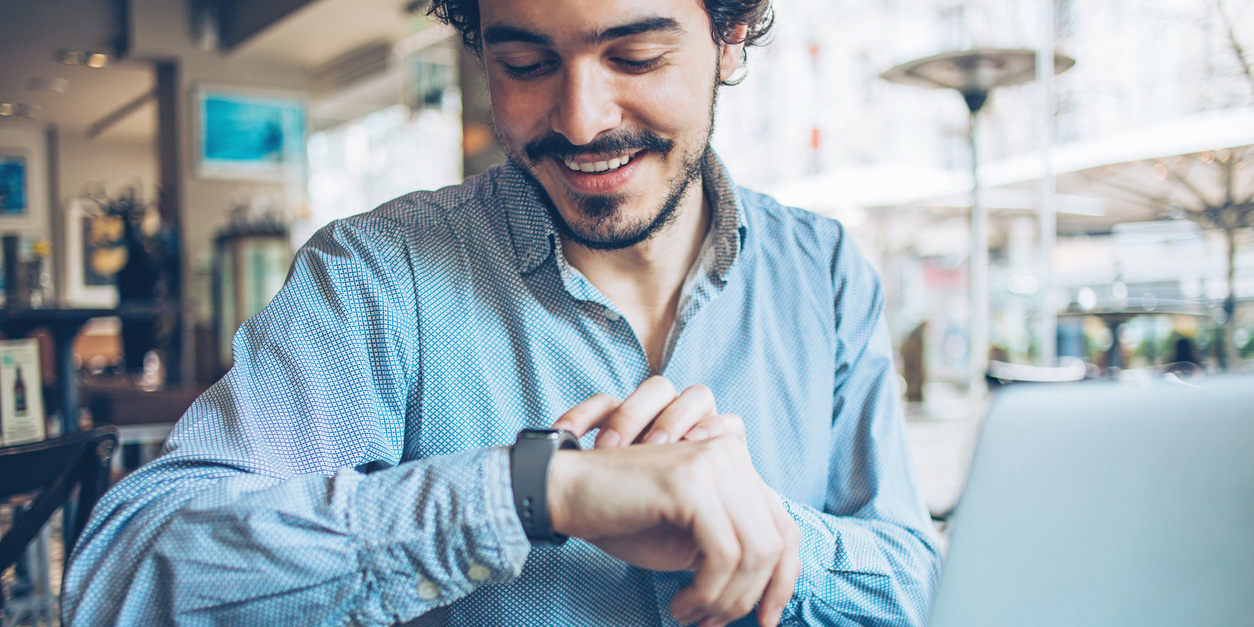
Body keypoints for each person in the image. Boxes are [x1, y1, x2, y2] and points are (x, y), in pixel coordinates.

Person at [62, 0, 941, 625]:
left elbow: (916, 585)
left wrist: (769, 531)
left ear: (731, 34)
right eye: (524, 64)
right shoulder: (379, 277)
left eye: (635, 57)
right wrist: (537, 492)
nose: (581, 119)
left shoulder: (824, 271)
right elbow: (123, 580)